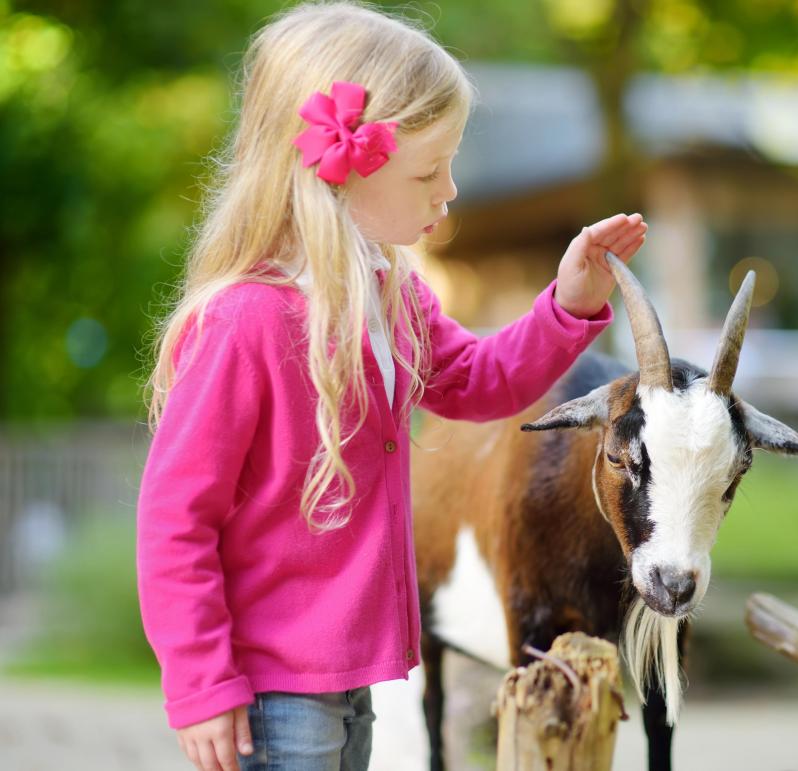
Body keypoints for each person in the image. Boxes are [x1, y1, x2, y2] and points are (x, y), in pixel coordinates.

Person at [136, 3, 648, 771]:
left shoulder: (392, 298)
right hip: (272, 695)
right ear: (346, 166)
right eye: (428, 170)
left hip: (350, 682)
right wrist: (202, 682)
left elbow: (482, 380)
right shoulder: (245, 321)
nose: (448, 191)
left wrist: (568, 302)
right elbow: (175, 518)